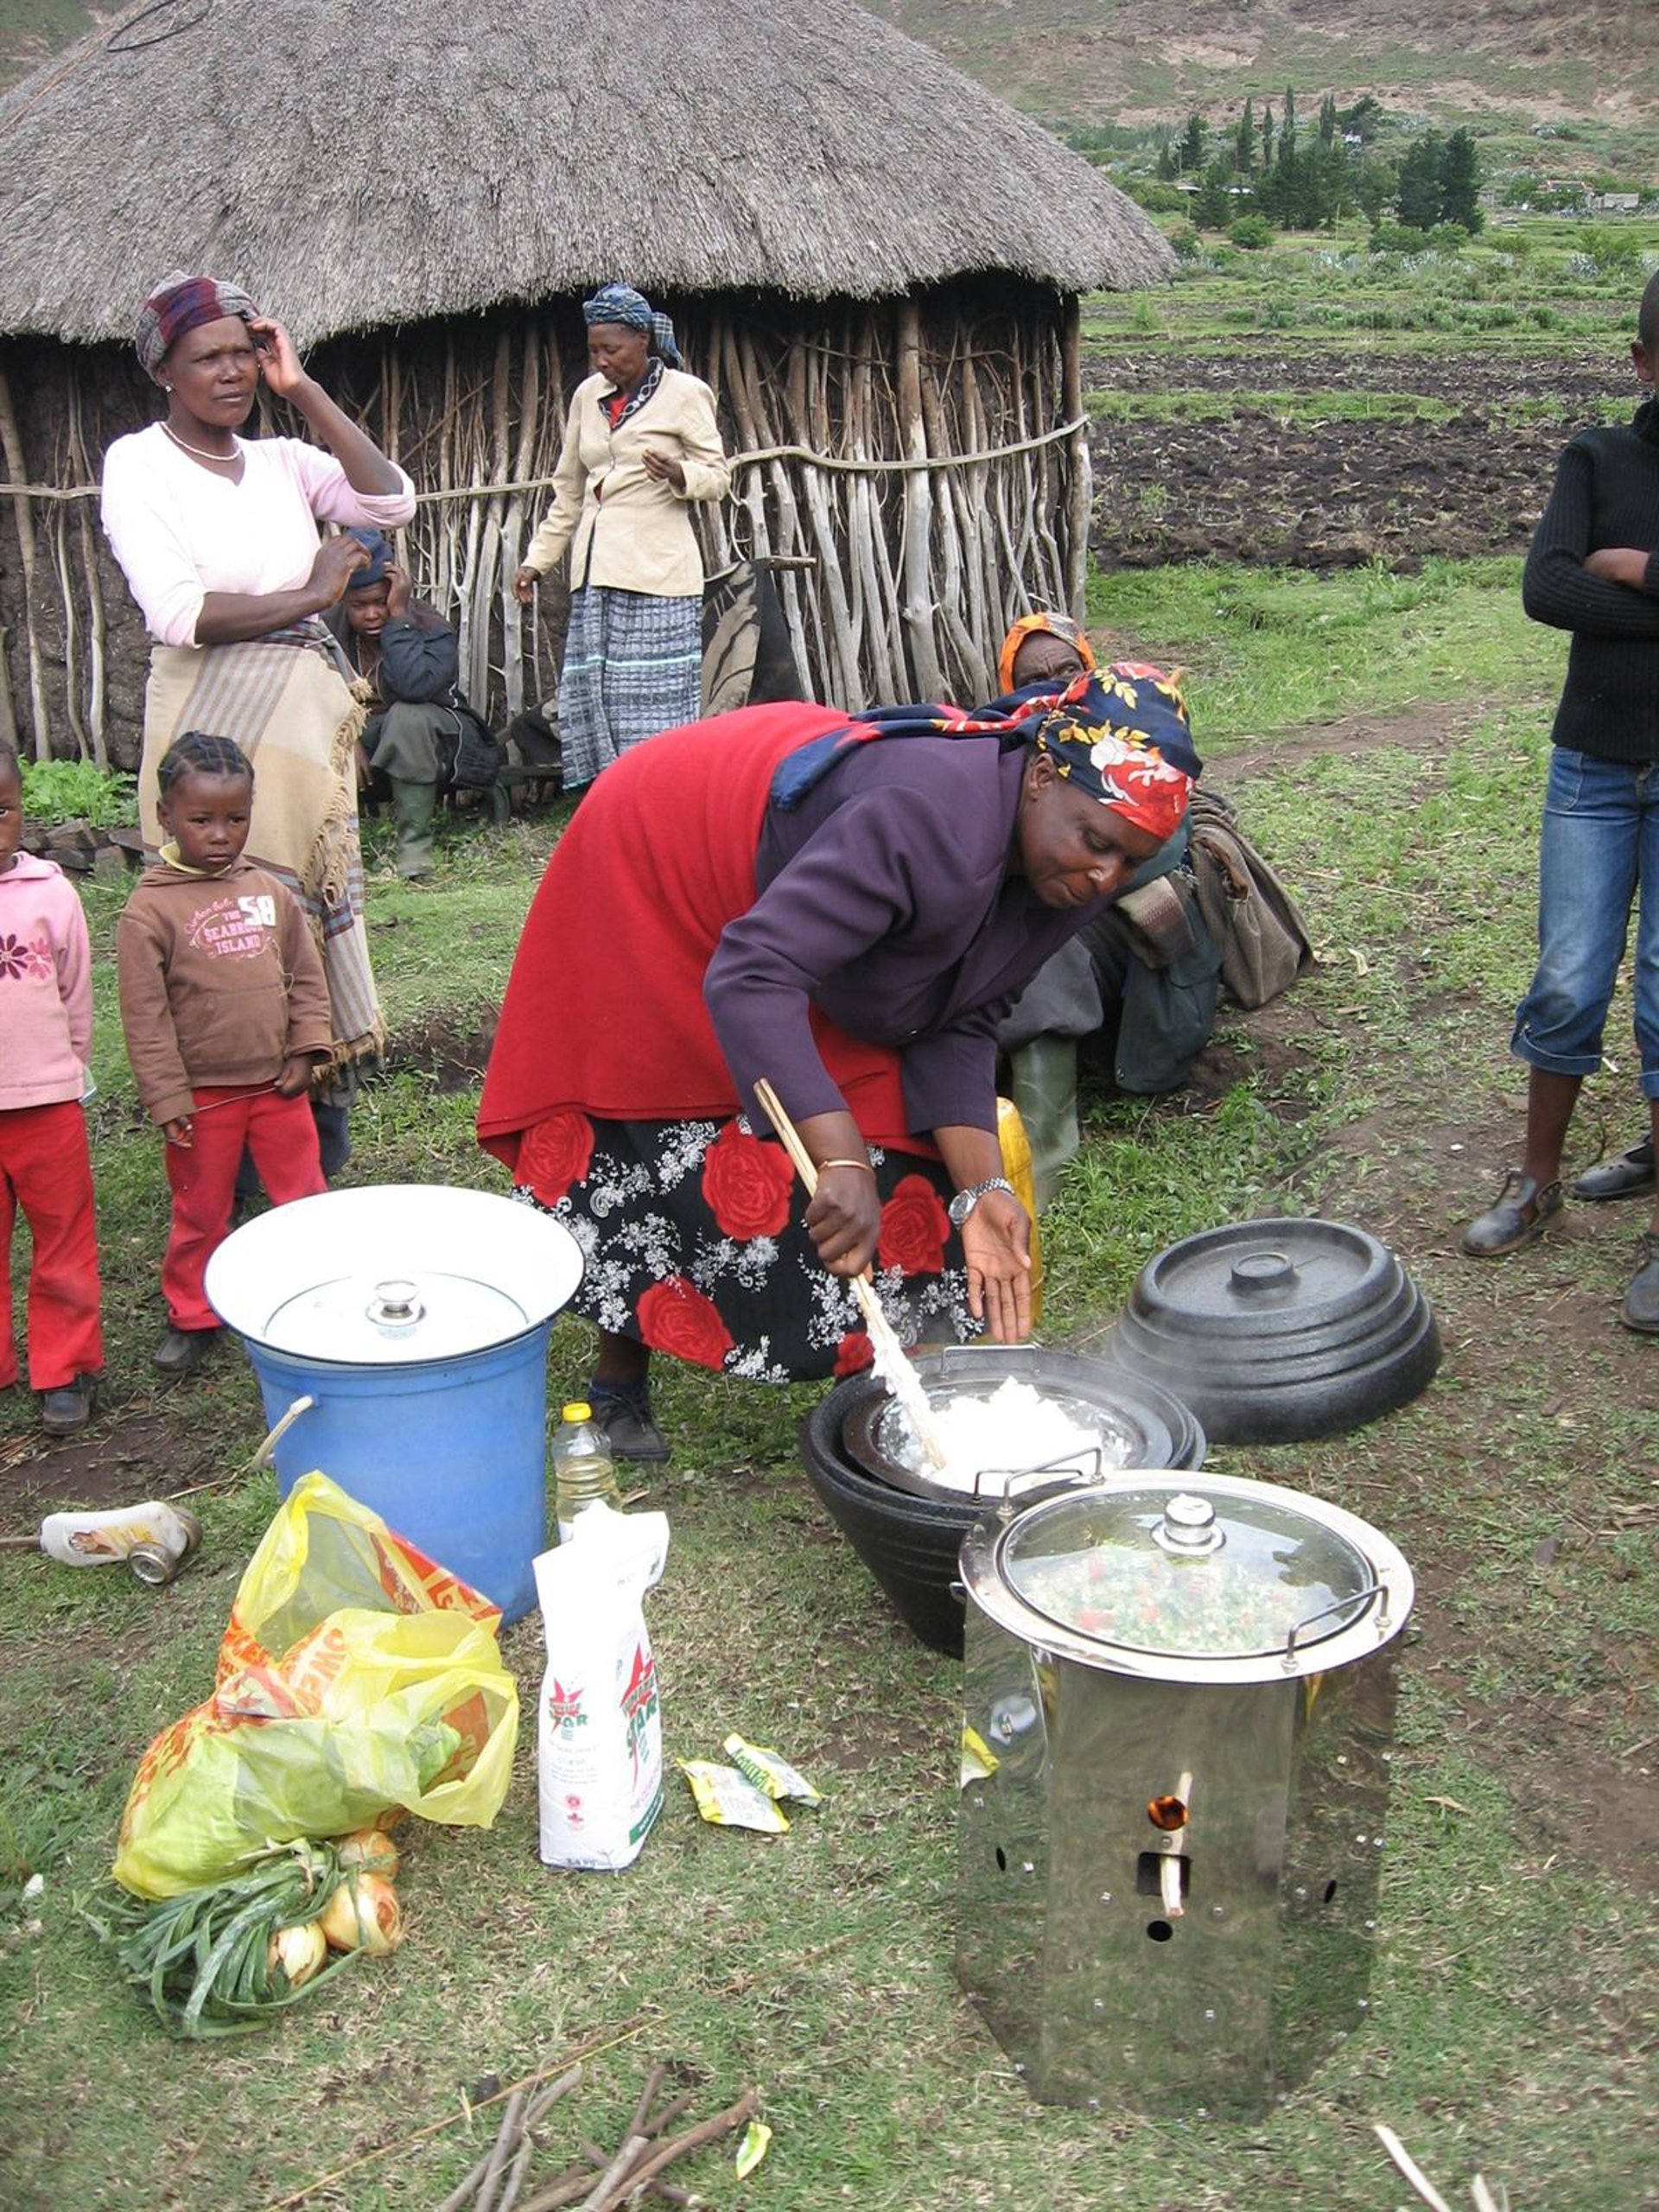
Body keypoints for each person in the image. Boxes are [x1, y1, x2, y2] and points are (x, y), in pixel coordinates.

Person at [478, 668, 1199, 1460]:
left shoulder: (1074, 874)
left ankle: (891, 1388)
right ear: (1040, 777)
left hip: (796, 909)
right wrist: (840, 1157)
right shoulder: (922, 816)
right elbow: (754, 976)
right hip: (665, 856)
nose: (1106, 877)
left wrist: (984, 1190)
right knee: (654, 1106)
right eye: (1096, 843)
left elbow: (963, 1017)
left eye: (1130, 862)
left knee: (902, 1146)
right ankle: (618, 1380)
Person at [100, 271, 416, 1171]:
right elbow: (178, 612)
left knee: (299, 914)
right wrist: (311, 595)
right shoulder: (140, 463)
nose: (232, 371)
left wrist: (301, 387)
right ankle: (224, 1141)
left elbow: (391, 502)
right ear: (163, 370)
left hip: (298, 729)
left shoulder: (283, 461)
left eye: (244, 353)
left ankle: (314, 1128)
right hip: (209, 722)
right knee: (217, 926)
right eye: (209, 358)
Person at [1461, 270, 1659, 1332]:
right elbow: (1547, 587)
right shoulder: (1598, 456)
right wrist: (1604, 575)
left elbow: (1587, 585)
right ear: (1643, 363)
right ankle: (1537, 1181)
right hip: (1593, 766)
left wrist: (1638, 572)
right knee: (1568, 975)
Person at [117, 734, 334, 1378]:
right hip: (202, 1097)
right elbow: (145, 1017)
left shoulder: (268, 890)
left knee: (303, 1196)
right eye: (201, 820)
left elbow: (306, 975)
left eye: (235, 819)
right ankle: (193, 1313)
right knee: (201, 1207)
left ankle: (315, 1293)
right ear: (166, 817)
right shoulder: (149, 910)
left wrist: (306, 1048)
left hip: (276, 1087)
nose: (220, 835)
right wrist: (166, 1097)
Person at [512, 283, 730, 790]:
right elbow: (569, 490)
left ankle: (662, 796)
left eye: (610, 349)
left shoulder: (684, 393)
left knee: (655, 706)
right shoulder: (587, 397)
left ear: (642, 340)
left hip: (658, 575)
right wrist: (537, 560)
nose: (601, 361)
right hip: (598, 576)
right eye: (594, 351)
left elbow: (719, 477)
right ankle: (613, 800)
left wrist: (679, 473)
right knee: (600, 701)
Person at [0, 743, 103, 1433]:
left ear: (21, 808)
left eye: (2, 810)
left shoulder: (51, 894)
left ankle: (64, 1368)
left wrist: (69, 1068)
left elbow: (76, 991)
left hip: (45, 1104)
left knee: (63, 1238)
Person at [324, 529, 481, 879]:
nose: (371, 614)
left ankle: (414, 854)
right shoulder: (328, 630)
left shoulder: (429, 625)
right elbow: (312, 692)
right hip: (368, 735)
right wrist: (346, 737)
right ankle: (330, 854)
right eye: (359, 606)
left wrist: (399, 619)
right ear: (343, 601)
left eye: (380, 602)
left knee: (408, 716)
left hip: (440, 740)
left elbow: (414, 687)